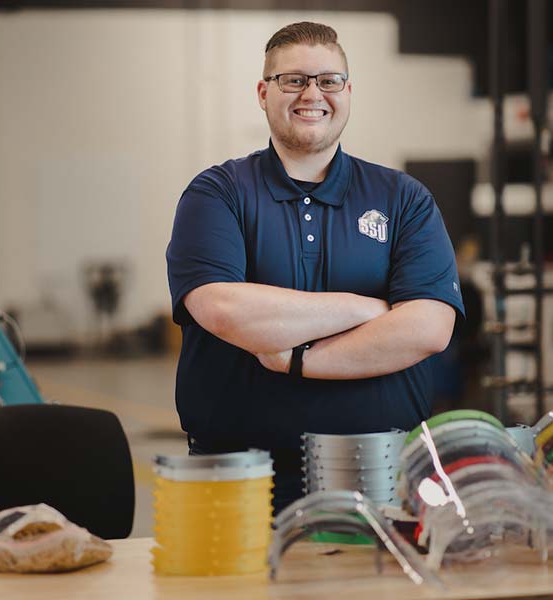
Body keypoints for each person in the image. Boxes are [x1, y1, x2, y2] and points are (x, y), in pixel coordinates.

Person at [166, 21, 464, 512]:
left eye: (328, 80)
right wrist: (367, 310)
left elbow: (429, 328)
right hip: (237, 473)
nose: (312, 93)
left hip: (377, 470)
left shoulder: (404, 198)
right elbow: (221, 308)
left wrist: (298, 360)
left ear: (348, 91)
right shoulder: (217, 193)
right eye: (293, 80)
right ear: (264, 92)